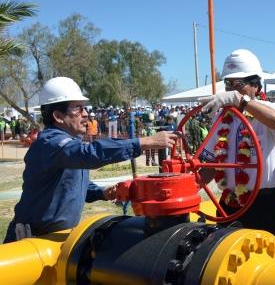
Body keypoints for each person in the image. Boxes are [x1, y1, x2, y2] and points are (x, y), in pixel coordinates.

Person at [4, 77, 177, 243]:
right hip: (30, 240)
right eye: (78, 108)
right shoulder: (51, 144)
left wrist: (101, 192)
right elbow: (90, 153)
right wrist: (145, 142)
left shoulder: (67, 145)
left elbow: (69, 185)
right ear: (58, 116)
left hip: (53, 239)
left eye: (84, 107)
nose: (86, 114)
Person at [199, 49, 275, 243]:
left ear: (256, 86)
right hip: (230, 203)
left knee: (271, 262)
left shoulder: (271, 110)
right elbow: (210, 165)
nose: (232, 89)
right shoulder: (222, 118)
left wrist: (242, 101)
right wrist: (187, 189)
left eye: (238, 84)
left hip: (265, 205)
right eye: (228, 84)